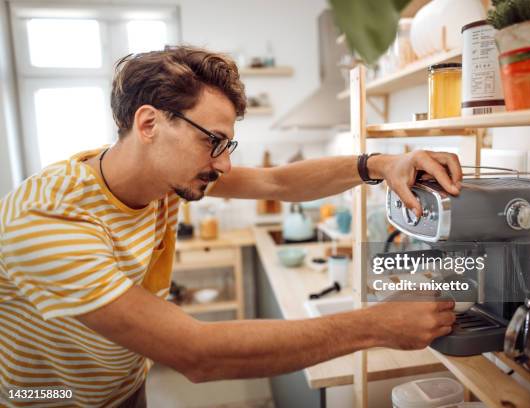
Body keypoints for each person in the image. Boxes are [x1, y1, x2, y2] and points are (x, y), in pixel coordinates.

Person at [0, 46, 463, 407]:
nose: (224, 164)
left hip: (122, 389)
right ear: (148, 123)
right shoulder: (47, 219)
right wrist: (377, 325)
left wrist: (382, 163)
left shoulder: (159, 174)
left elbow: (277, 180)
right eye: (213, 142)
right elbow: (197, 353)